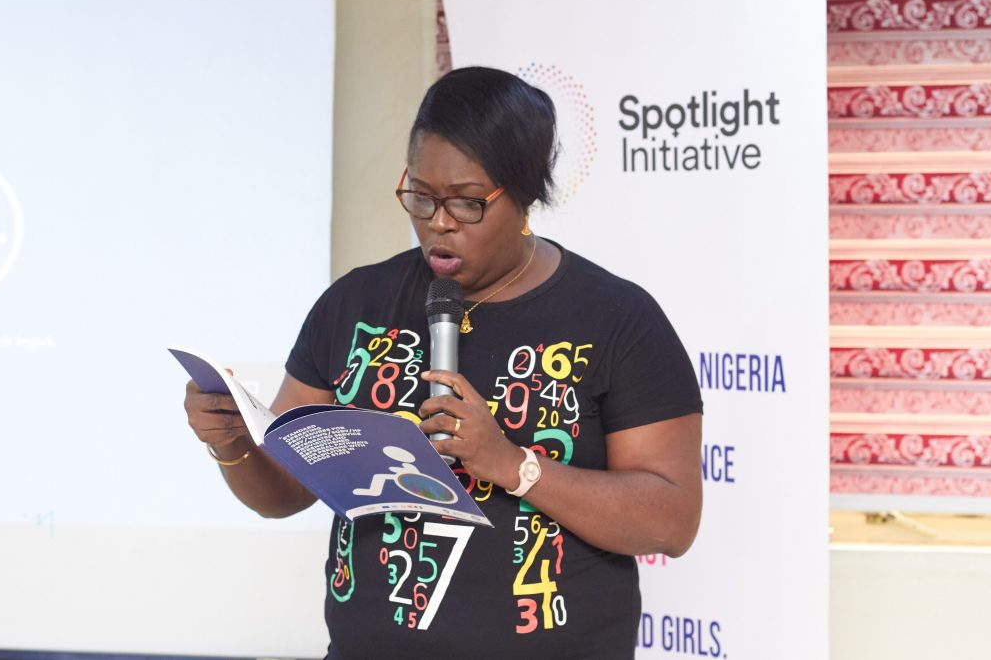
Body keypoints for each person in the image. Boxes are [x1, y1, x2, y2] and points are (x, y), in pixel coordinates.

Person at [184, 66, 703, 658]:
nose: (438, 221)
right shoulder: (354, 304)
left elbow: (671, 521)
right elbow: (283, 493)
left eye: (466, 202)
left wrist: (510, 464)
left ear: (524, 193)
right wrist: (233, 443)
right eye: (421, 196)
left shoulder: (617, 318)